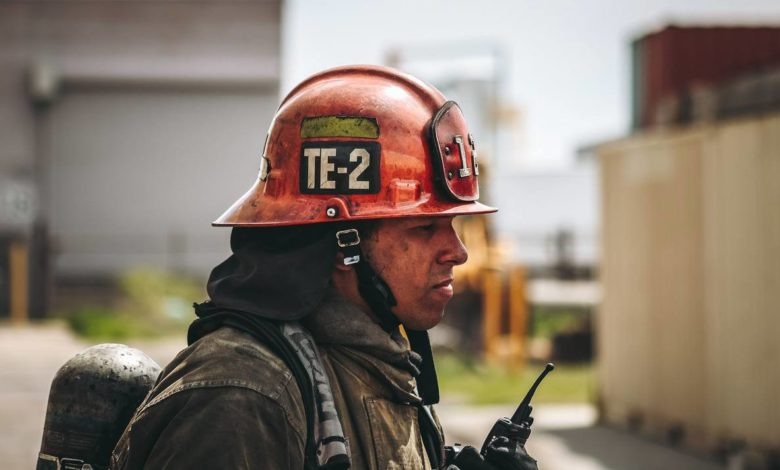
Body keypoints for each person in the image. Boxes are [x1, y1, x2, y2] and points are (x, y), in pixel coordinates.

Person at [110, 65, 538, 470]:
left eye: (453, 225)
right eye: (426, 227)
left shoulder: (379, 366)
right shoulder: (240, 398)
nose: (458, 252)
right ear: (341, 245)